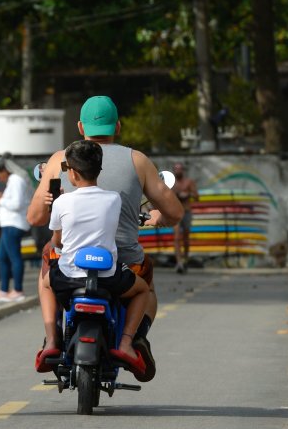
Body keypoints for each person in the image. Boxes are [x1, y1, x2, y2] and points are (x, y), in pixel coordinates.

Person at [27, 95, 182, 381]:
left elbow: (35, 218)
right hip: (119, 263)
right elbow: (175, 212)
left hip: (70, 262)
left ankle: (51, 340)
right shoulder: (137, 160)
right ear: (118, 127)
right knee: (145, 281)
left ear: (79, 127)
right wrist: (160, 217)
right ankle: (134, 339)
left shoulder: (60, 160)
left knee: (48, 263)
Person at [46, 141, 153, 377]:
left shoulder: (61, 202)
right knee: (143, 290)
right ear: (99, 170)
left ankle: (52, 340)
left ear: (72, 173)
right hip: (108, 278)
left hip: (69, 278)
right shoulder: (113, 199)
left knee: (44, 283)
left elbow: (57, 242)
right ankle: (126, 343)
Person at [0, 157, 31, 303]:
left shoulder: (16, 180)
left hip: (14, 224)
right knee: (2, 256)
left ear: (5, 170)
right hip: (9, 224)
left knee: (13, 257)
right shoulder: (14, 180)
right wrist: (3, 197)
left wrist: (1, 200)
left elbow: (16, 204)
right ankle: (4, 290)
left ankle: (17, 290)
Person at [171, 161, 200, 273]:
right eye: (176, 169)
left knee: (186, 238)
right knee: (177, 237)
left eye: (180, 169)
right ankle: (179, 262)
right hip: (175, 212)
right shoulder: (171, 183)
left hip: (186, 211)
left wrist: (188, 194)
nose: (178, 171)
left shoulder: (189, 182)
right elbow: (165, 196)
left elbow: (197, 196)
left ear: (183, 170)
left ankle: (186, 259)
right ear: (173, 170)